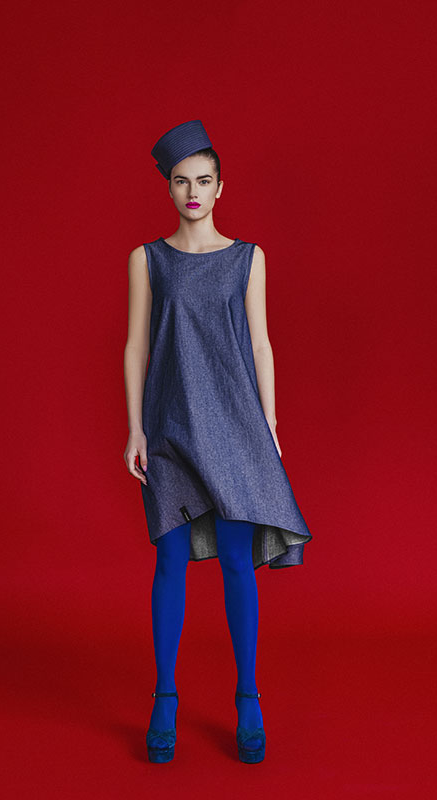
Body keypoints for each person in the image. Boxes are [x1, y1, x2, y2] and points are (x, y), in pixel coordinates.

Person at [123, 120, 313, 764]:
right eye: (182, 182)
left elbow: (261, 344)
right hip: (170, 428)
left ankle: (248, 698)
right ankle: (165, 698)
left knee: (236, 562)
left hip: (235, 428)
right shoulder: (147, 259)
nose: (193, 193)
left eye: (204, 181)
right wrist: (135, 428)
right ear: (169, 189)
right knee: (169, 562)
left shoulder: (248, 258)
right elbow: (136, 347)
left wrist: (271, 426)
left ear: (220, 187)